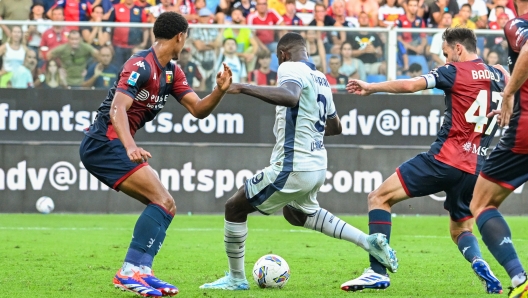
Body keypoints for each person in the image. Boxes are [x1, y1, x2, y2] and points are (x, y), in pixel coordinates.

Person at [199, 32, 398, 291]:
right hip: (317, 165)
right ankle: (368, 241)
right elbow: (335, 126)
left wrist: (241, 87)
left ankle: (236, 279)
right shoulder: (321, 78)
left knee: (234, 207)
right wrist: (308, 124)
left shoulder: (289, 67)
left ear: (282, 54)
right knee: (297, 213)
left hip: (293, 165)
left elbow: (290, 96)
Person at [79, 12, 233, 297]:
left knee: (166, 205)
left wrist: (219, 91)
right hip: (103, 141)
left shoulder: (172, 72)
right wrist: (129, 147)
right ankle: (128, 272)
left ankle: (141, 271)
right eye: (186, 36)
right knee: (162, 200)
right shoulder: (140, 64)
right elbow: (117, 110)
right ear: (180, 36)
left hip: (113, 143)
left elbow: (198, 109)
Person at [341, 27, 506, 294]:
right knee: (461, 229)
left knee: (378, 198)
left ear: (458, 49)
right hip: (477, 169)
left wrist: (372, 87)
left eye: (446, 54)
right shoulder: (500, 74)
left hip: (444, 159)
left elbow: (410, 85)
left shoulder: (452, 72)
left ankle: (376, 272)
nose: (445, 60)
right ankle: (477, 260)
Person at [469, 0, 528, 296]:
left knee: (481, 203)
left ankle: (520, 279)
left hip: (525, 130)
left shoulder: (518, 24)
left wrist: (508, 94)